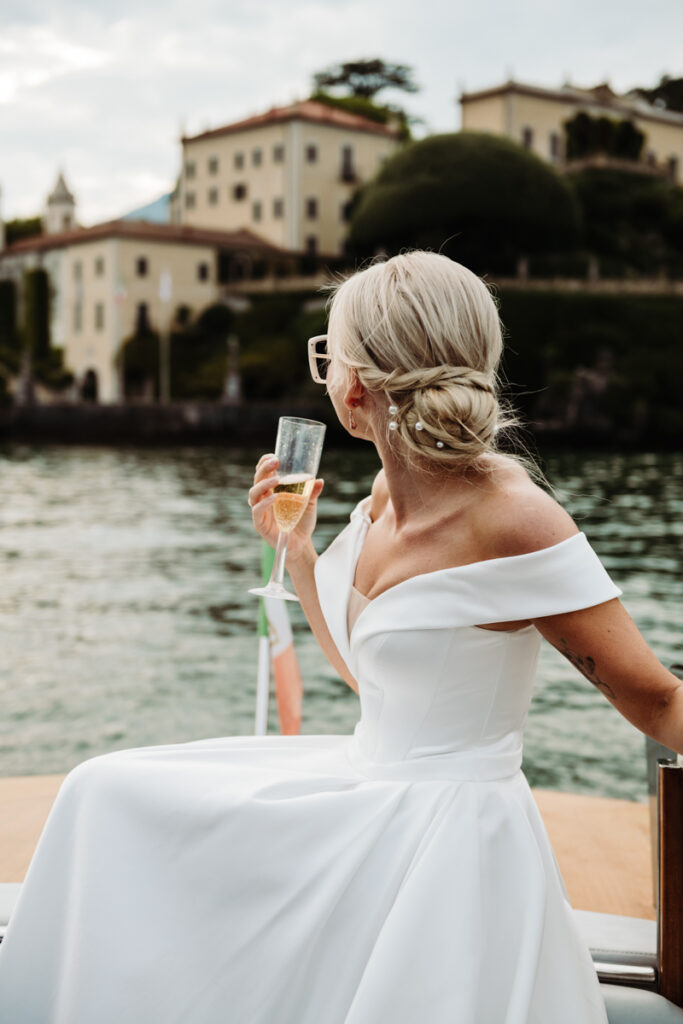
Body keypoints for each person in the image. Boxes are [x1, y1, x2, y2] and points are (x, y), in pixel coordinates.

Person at [0, 251, 680, 1024]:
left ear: (354, 384)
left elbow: (654, 699)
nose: (322, 373)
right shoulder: (384, 492)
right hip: (367, 782)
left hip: (448, 837)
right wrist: (297, 554)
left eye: (326, 352)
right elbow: (370, 675)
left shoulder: (515, 520)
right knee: (102, 790)